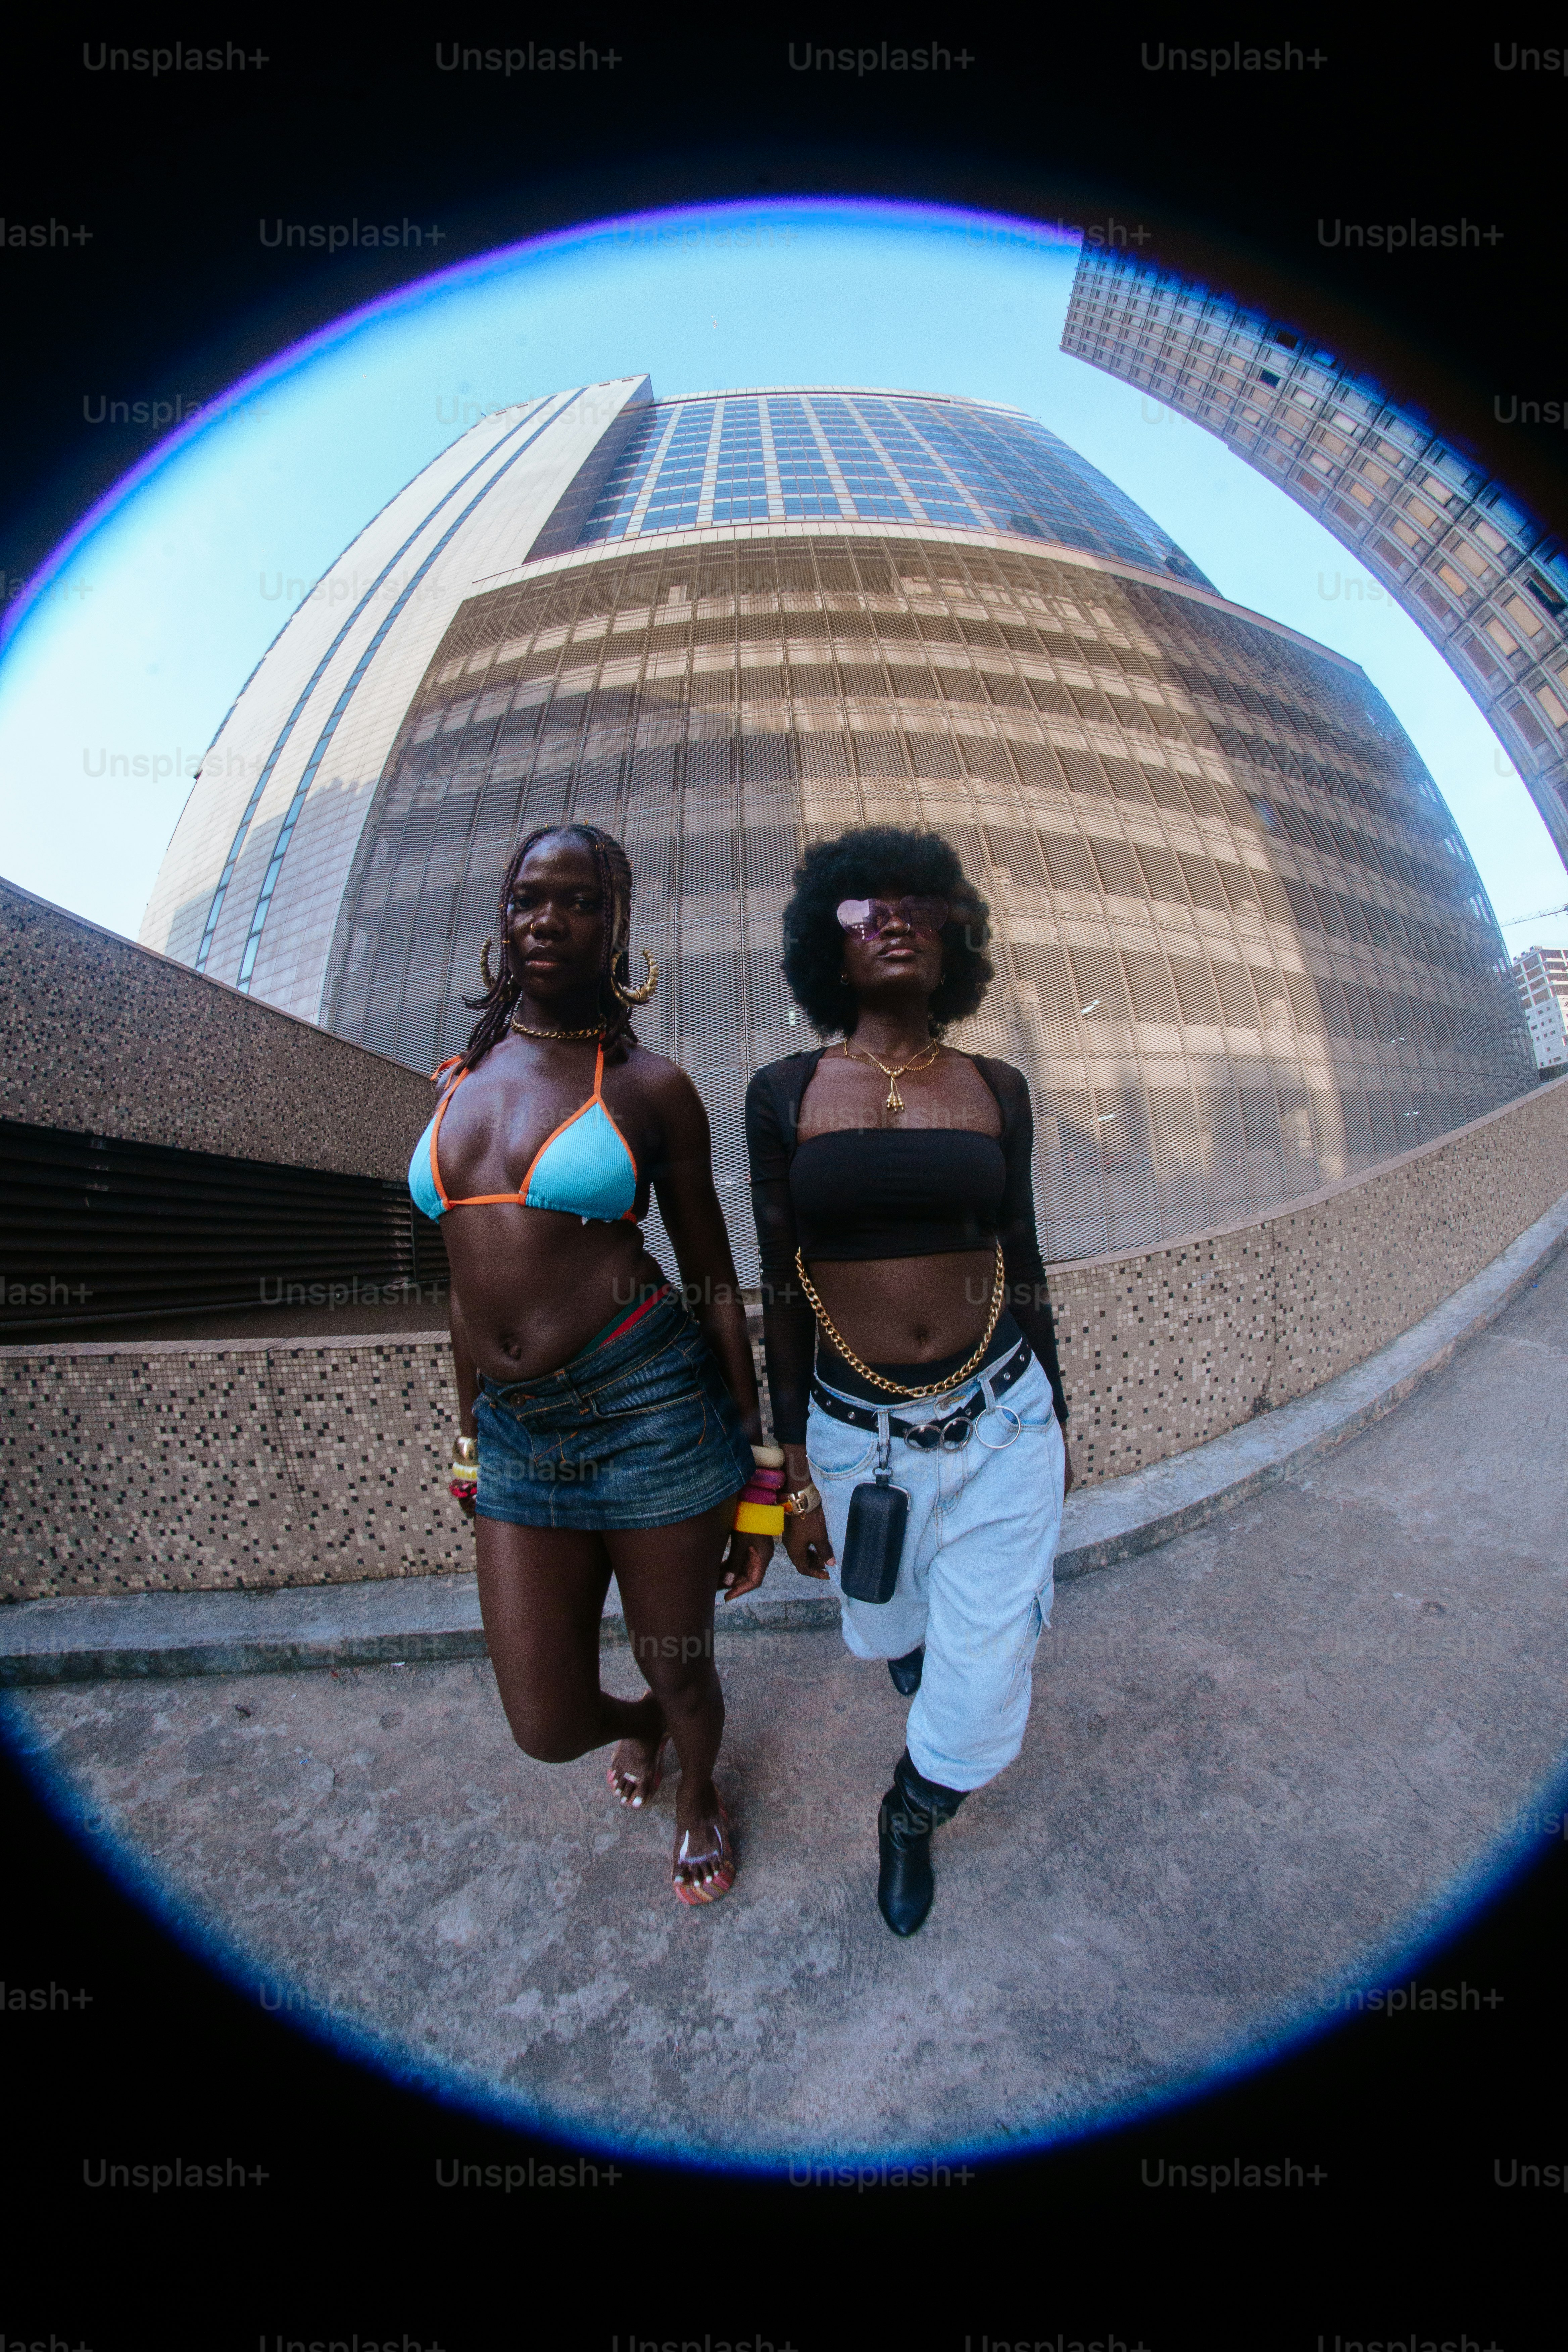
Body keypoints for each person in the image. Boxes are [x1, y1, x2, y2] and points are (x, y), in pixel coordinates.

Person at [409, 823, 778, 1905]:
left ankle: (700, 1789)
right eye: (529, 897)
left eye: (577, 902)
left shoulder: (650, 1085)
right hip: (522, 1434)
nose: (547, 920)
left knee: (679, 1659)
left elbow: (715, 1279)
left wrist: (760, 1473)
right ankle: (646, 1731)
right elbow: (461, 1284)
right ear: (503, 916)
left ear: (616, 926)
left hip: (647, 1405)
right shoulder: (456, 1079)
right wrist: (472, 1429)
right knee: (545, 1721)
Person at [746, 825, 1073, 1937]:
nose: (890, 920)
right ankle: (911, 1654)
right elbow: (780, 1286)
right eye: (859, 909)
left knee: (982, 1678)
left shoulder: (998, 1086)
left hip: (1003, 1418)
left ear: (952, 938)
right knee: (885, 1620)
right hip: (854, 1435)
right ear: (823, 948)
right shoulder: (784, 1092)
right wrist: (785, 1475)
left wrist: (1058, 1420)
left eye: (916, 906)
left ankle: (912, 1809)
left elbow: (1022, 1258)